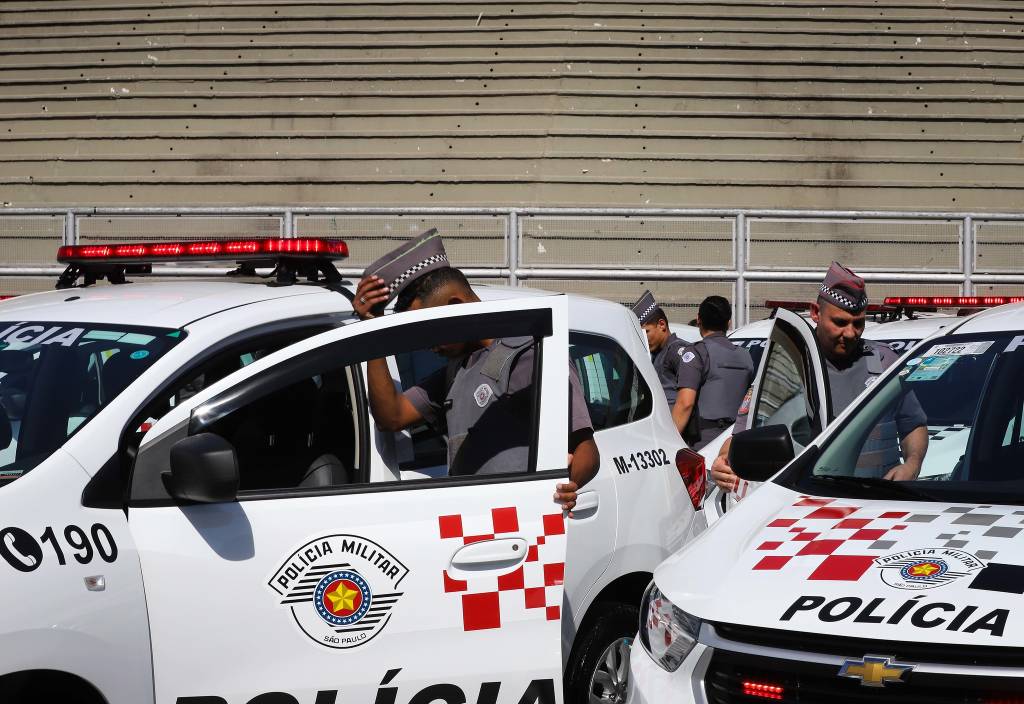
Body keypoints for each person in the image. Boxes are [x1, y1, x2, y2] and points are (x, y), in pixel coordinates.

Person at [352, 229, 600, 513]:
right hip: (473, 524)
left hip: (521, 525)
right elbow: (391, 416)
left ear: (455, 306)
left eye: (428, 331)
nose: (426, 346)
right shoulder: (456, 370)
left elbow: (586, 449)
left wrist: (569, 484)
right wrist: (372, 329)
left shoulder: (529, 355)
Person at [711, 261, 928, 490]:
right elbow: (742, 436)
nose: (850, 333)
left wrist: (912, 464)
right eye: (840, 322)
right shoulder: (787, 366)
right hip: (808, 499)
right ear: (816, 313)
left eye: (858, 324)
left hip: (877, 499)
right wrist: (723, 464)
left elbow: (913, 423)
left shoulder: (885, 363)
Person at [675, 296, 754, 451]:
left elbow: (685, 403)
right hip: (736, 441)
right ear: (728, 323)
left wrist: (668, 442)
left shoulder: (696, 352)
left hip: (702, 443)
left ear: (699, 319)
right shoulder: (746, 356)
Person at [631, 290, 688, 421]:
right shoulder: (657, 354)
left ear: (661, 325)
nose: (643, 338)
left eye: (646, 332)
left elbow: (686, 401)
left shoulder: (677, 351)